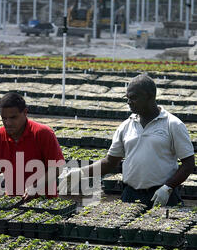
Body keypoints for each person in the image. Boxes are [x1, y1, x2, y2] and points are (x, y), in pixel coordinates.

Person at [60, 74, 195, 208]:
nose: (129, 102)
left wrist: (168, 188)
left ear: (150, 96)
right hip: (131, 194)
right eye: (127, 98)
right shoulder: (126, 126)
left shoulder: (173, 124)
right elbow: (110, 162)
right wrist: (80, 172)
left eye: (134, 98)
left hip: (162, 194)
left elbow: (188, 163)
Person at [0, 92, 65, 198]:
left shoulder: (43, 133)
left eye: (13, 117)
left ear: (25, 112)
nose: (8, 123)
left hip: (44, 202)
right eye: (4, 118)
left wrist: (35, 186)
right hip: (12, 202)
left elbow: (57, 168)